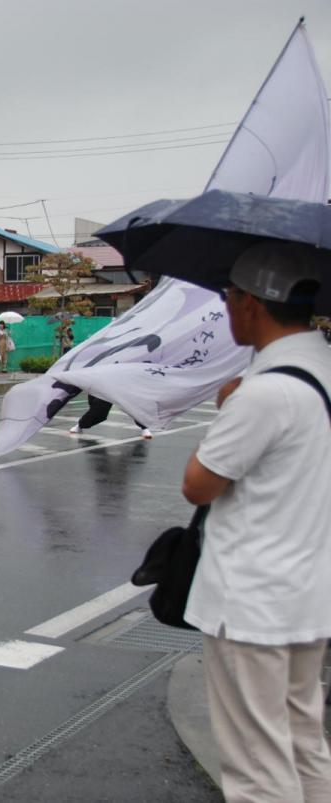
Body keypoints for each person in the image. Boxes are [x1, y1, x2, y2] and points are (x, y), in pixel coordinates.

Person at [179, 242, 331, 803]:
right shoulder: (322, 371)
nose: (226, 309)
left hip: (251, 603)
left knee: (258, 769)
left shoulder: (263, 393)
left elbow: (198, 484)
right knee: (303, 742)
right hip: (308, 594)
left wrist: (227, 410)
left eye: (228, 298)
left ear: (250, 302)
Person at [69, 395, 152, 439]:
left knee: (131, 405)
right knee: (98, 410)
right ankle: (80, 425)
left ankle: (144, 428)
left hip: (120, 384)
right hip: (103, 385)